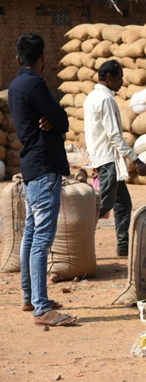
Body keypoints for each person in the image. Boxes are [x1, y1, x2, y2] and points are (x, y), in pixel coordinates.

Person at [9, 33, 76, 326]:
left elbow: (55, 118)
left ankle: (30, 297)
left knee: (31, 233)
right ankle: (41, 308)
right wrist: (55, 119)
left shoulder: (14, 86)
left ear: (17, 58)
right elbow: (62, 120)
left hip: (31, 166)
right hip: (44, 166)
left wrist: (53, 118)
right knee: (41, 239)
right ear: (43, 57)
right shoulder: (35, 84)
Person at [84, 60, 146, 257]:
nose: (122, 82)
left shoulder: (91, 98)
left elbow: (93, 133)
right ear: (109, 77)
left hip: (103, 158)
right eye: (119, 77)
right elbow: (114, 135)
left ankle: (123, 246)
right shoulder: (105, 100)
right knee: (104, 205)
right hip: (108, 160)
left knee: (123, 204)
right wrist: (135, 159)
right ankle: (79, 238)